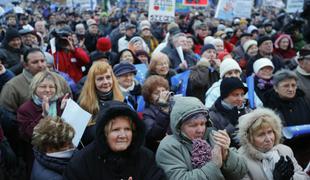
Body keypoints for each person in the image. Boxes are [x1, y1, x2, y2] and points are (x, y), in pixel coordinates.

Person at [63, 101, 166, 180]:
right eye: (115, 130)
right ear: (104, 133)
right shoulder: (83, 162)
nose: (122, 135)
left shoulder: (145, 157)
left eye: (127, 129)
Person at [156, 96, 247, 180]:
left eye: (202, 124)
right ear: (179, 126)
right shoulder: (168, 147)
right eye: (193, 125)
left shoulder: (213, 136)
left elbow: (241, 173)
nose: (200, 130)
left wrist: (227, 155)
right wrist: (214, 165)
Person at [237, 108, 309, 180]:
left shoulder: (285, 150)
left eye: (270, 132)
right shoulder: (240, 160)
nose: (268, 139)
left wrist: (291, 177)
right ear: (249, 138)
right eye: (261, 134)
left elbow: (305, 177)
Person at [264, 69, 310, 167]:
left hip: (307, 149)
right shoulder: (270, 106)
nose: (291, 89)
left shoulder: (303, 99)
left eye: (293, 85)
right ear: (276, 88)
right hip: (285, 153)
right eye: (286, 86)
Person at [78, 61, 124, 145]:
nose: (106, 82)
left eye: (108, 77)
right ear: (93, 82)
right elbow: (83, 138)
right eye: (100, 79)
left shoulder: (124, 100)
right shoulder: (84, 105)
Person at [209, 77, 250, 147]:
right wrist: (233, 123)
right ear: (224, 96)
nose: (240, 99)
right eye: (235, 95)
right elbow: (217, 142)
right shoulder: (212, 116)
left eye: (242, 94)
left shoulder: (247, 111)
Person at [142, 75, 172, 152]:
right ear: (149, 97)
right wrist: (163, 110)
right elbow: (154, 134)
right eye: (156, 93)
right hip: (159, 150)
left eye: (163, 91)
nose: (162, 95)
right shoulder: (147, 113)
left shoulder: (173, 105)